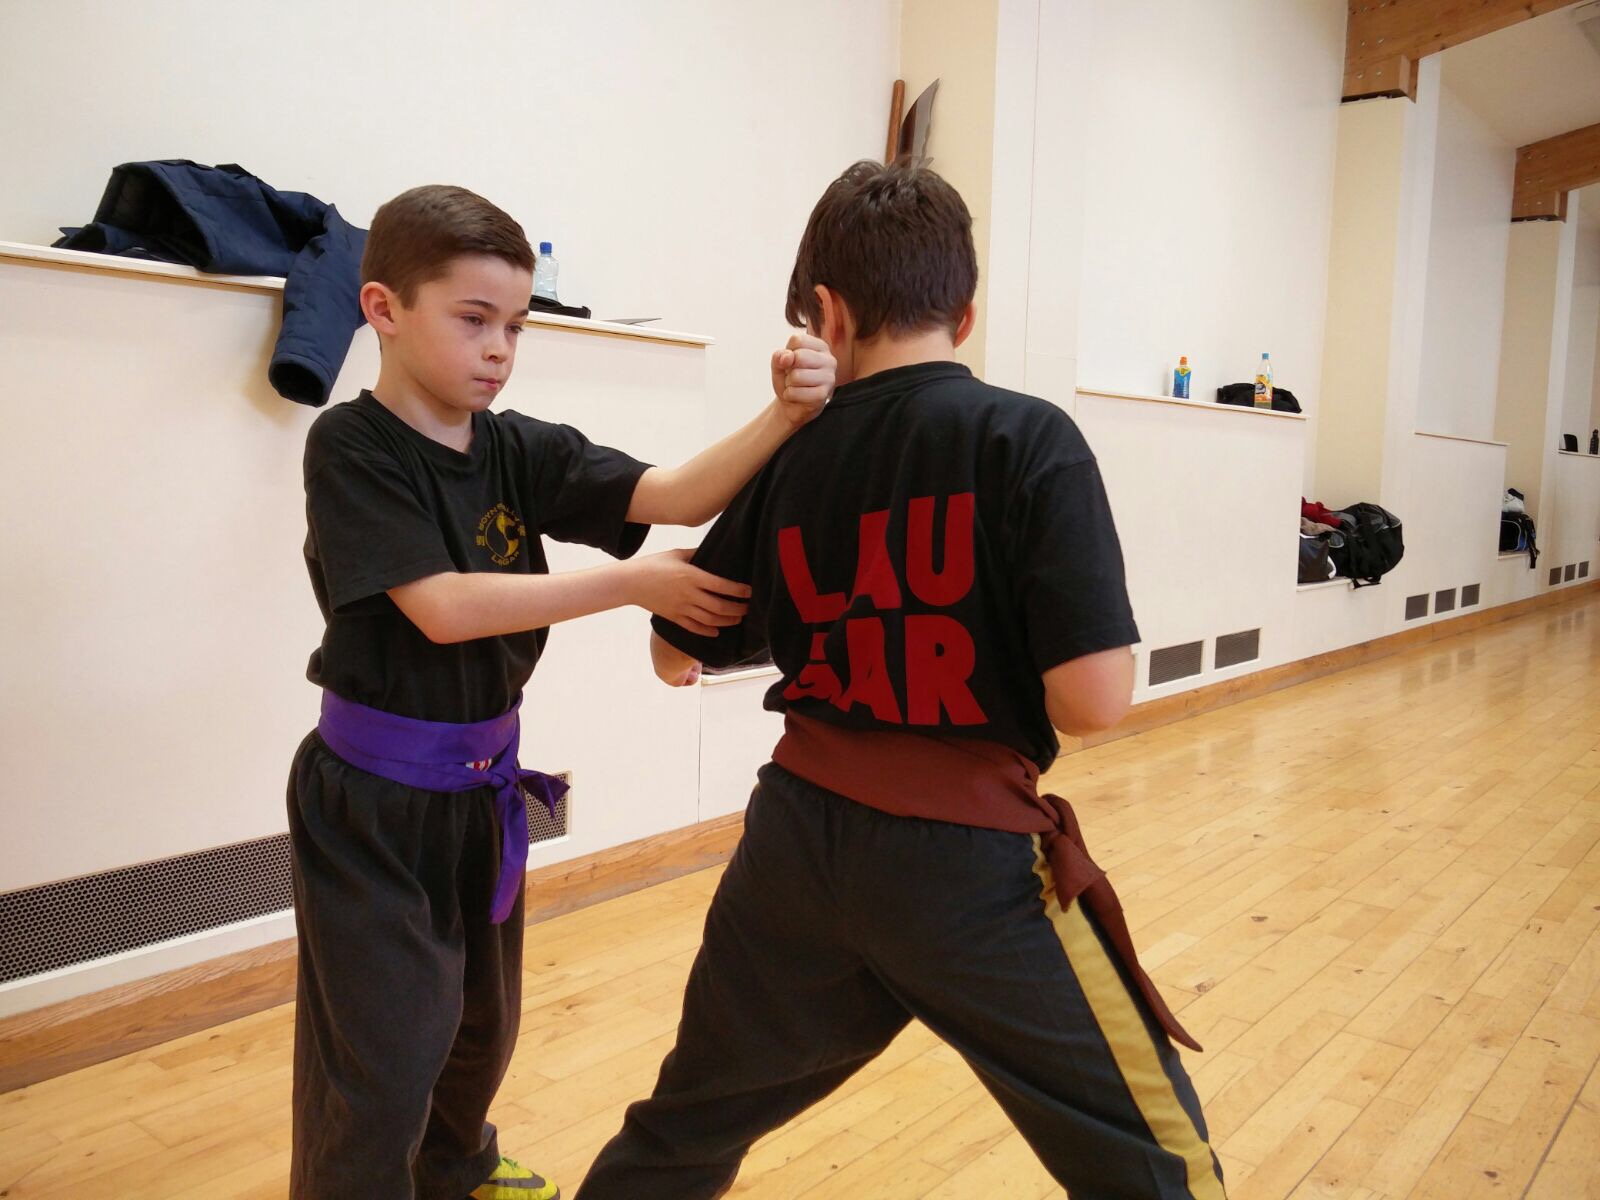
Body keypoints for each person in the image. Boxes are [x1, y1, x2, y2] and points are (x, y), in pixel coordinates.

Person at [578, 161, 1224, 1200]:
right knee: (1158, 1165)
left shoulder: (789, 455)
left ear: (825, 316)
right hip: (964, 869)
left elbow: (673, 651)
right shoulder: (1027, 438)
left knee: (683, 1133)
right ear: (964, 313)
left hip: (793, 849)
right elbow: (1093, 703)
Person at [288, 183, 834, 1200]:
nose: (500, 348)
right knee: (384, 1054)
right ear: (383, 310)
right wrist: (632, 585)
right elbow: (442, 607)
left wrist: (786, 412)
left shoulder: (513, 445)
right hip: (371, 805)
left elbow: (672, 494)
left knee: (478, 1027)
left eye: (515, 326)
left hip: (478, 793)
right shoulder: (351, 447)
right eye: (474, 320)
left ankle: (454, 1172)